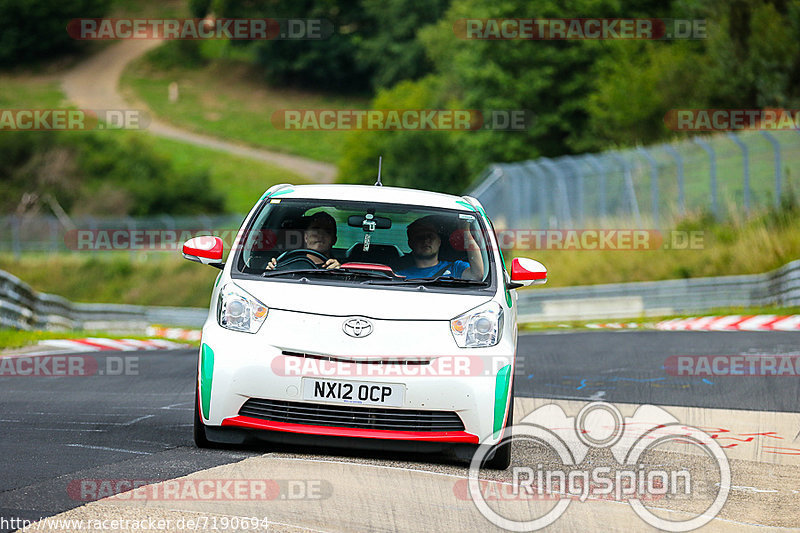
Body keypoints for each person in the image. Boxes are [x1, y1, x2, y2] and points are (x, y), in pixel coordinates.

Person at [396, 215, 484, 280]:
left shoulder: (456, 268)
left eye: (430, 236)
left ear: (439, 241)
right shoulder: (399, 276)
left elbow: (477, 275)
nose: (426, 240)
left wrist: (465, 231)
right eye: (420, 237)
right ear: (410, 243)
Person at [266, 211, 341, 270]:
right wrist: (270, 271)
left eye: (327, 231)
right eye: (315, 229)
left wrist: (340, 273)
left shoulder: (337, 268)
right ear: (306, 237)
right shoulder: (285, 263)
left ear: (334, 240)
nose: (320, 234)